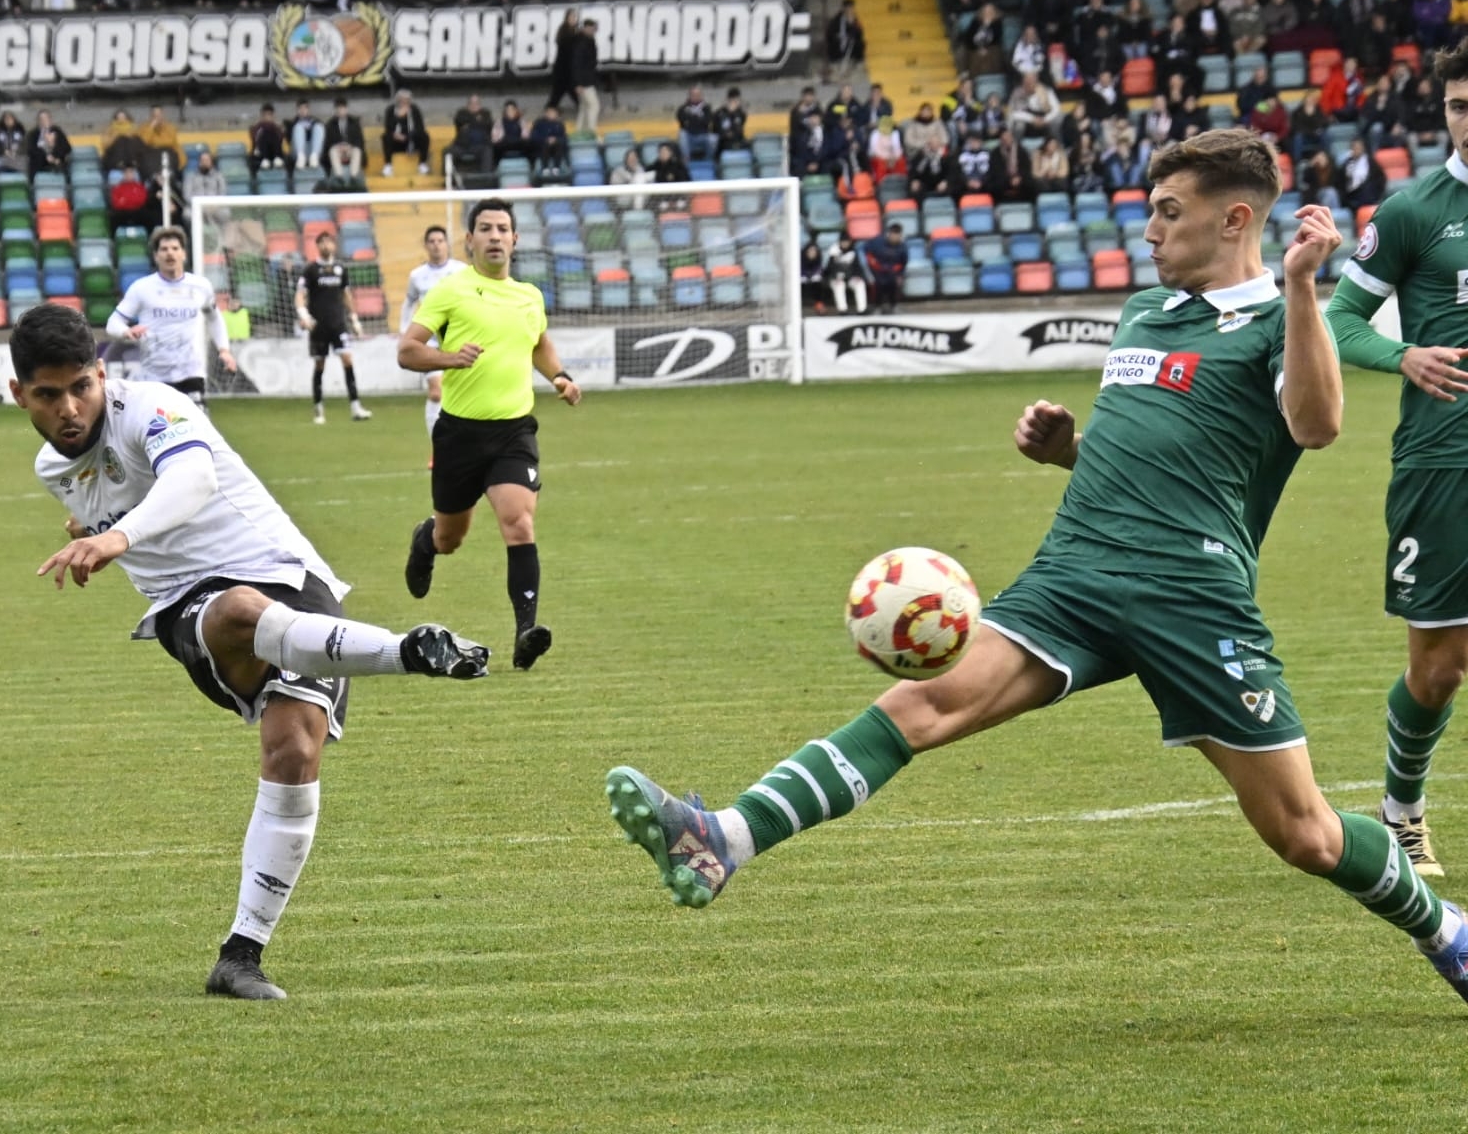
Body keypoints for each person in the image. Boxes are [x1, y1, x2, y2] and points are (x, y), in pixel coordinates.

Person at [604, 129, 1468, 1009]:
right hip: (1077, 568)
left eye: (1169, 212)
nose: (1149, 230)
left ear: (1234, 217)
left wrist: (1298, 288)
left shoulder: (1276, 319)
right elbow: (1161, 448)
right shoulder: (1144, 313)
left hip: (1189, 594)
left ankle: (1451, 932)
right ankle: (722, 838)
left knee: (1305, 832)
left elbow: (1315, 424)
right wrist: (1070, 451)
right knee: (921, 703)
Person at [8, 303, 489, 1001]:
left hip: (291, 574)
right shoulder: (53, 464)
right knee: (237, 610)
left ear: (102, 373)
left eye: (80, 386)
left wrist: (112, 538)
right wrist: (98, 527)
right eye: (49, 395)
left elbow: (192, 479)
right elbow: (106, 493)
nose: (70, 407)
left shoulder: (151, 404)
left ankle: (240, 955)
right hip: (189, 605)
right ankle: (406, 651)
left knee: (294, 750)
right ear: (20, 393)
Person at [1324, 39, 1468, 881]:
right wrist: (1402, 355)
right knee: (1440, 666)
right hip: (1442, 460)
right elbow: (1339, 321)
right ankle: (1402, 809)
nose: (1467, 120)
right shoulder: (1414, 212)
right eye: (1457, 106)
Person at [397, 198, 582, 672]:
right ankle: (426, 541)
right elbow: (408, 350)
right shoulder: (450, 292)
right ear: (471, 241)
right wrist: (450, 358)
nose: (495, 235)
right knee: (451, 537)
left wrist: (558, 376)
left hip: (513, 432)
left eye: (503, 228)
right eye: (486, 228)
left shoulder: (529, 296)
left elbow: (538, 340)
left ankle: (526, 631)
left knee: (519, 523)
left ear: (515, 240)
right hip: (459, 434)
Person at [106, 227, 238, 408]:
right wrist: (126, 331)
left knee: (197, 431)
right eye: (164, 249)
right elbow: (113, 323)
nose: (170, 253)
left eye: (175, 248)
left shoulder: (201, 286)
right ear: (156, 256)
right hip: (154, 376)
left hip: (191, 373)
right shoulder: (142, 288)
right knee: (156, 432)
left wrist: (224, 350)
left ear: (183, 254)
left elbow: (214, 318)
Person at [402, 225, 469, 459]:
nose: (436, 245)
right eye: (432, 241)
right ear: (426, 245)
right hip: (428, 340)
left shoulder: (462, 271)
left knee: (460, 393)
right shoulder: (417, 276)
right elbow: (408, 302)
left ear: (447, 244)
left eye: (440, 240)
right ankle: (438, 448)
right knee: (436, 392)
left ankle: (461, 442)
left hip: (456, 339)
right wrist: (405, 332)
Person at [295, 231, 373, 424]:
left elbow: (346, 295)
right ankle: (318, 409)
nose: (326, 246)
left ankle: (356, 407)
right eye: (321, 243)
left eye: (329, 242)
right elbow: (300, 295)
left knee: (347, 360)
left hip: (339, 324)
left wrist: (354, 319)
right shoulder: (311, 270)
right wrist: (304, 315)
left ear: (334, 245)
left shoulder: (341, 269)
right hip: (318, 326)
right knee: (320, 365)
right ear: (317, 246)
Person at [381, 88, 430, 177]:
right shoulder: (391, 110)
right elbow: (388, 128)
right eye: (402, 100)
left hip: (411, 139)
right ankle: (388, 165)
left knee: (424, 136)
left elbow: (420, 128)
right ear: (398, 100)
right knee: (385, 137)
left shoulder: (414, 110)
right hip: (396, 141)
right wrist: (398, 118)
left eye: (407, 100)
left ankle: (422, 163)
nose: (404, 102)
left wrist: (407, 136)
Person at [862, 222, 909, 312]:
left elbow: (903, 263)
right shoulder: (877, 241)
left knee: (894, 282)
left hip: (892, 271)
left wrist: (900, 274)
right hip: (876, 269)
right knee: (878, 283)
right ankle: (877, 306)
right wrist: (871, 259)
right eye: (893, 234)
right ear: (889, 234)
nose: (895, 237)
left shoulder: (903, 247)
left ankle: (893, 306)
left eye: (897, 235)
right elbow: (865, 248)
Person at [322, 98, 365, 184]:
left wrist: (350, 146)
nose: (341, 111)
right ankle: (339, 176)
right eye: (338, 109)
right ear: (335, 110)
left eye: (342, 108)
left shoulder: (354, 123)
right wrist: (338, 146)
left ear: (346, 109)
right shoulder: (330, 125)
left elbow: (360, 141)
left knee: (357, 151)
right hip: (338, 151)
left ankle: (354, 176)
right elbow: (327, 143)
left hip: (350, 149)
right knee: (332, 151)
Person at [822, 234, 867, 314]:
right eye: (843, 242)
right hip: (835, 278)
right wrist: (835, 276)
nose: (845, 244)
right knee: (839, 285)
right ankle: (842, 310)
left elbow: (858, 268)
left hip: (850, 278)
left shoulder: (853, 253)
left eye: (847, 242)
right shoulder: (833, 253)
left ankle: (862, 310)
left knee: (860, 284)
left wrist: (858, 276)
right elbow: (828, 269)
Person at [572, 18, 601, 135]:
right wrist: (578, 83)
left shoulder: (588, 40)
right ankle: (591, 132)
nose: (593, 31)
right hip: (585, 81)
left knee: (584, 107)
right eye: (591, 28)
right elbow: (576, 64)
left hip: (586, 80)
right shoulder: (582, 42)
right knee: (594, 106)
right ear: (585, 28)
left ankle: (579, 132)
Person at [27, 110, 72, 180]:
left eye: (46, 118)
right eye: (41, 119)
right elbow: (31, 150)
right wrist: (46, 156)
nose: (44, 121)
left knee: (63, 166)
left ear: (50, 119)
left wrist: (54, 155)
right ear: (38, 121)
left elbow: (67, 147)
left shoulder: (57, 131)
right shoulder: (33, 134)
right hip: (40, 163)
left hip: (57, 161)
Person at [248, 103, 287, 176]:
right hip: (260, 153)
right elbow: (255, 139)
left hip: (275, 151)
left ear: (273, 116)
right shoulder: (256, 128)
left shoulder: (277, 128)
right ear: (262, 116)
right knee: (266, 132)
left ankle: (277, 158)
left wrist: (275, 127)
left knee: (272, 132)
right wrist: (265, 128)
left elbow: (281, 139)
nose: (267, 117)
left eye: (269, 115)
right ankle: (265, 159)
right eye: (265, 115)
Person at [289, 100, 325, 171]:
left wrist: (309, 128)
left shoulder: (315, 121)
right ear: (297, 110)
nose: (303, 110)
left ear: (308, 110)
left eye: (305, 108)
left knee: (319, 127)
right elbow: (289, 140)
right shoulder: (292, 123)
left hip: (312, 150)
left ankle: (314, 157)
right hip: (297, 152)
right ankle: (301, 157)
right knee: (298, 127)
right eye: (300, 108)